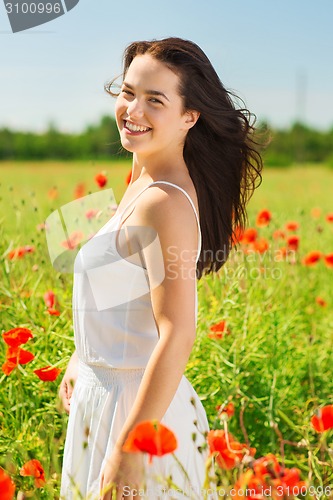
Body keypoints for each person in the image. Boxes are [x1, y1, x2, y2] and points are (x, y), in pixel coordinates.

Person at [59, 37, 263, 499]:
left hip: (137, 418)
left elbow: (177, 331)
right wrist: (83, 359)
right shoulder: (141, 183)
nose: (133, 109)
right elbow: (122, 290)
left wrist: (129, 450)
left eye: (155, 100)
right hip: (108, 402)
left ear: (189, 117)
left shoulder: (165, 202)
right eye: (129, 92)